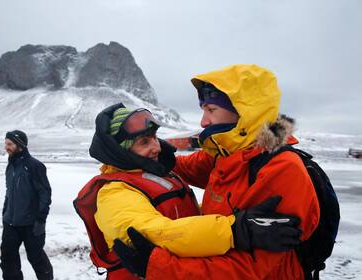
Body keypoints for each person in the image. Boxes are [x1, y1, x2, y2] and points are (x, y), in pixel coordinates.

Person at [113, 64, 321, 279]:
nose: (203, 121)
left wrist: (160, 268)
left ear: (245, 113)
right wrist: (158, 155)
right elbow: (191, 167)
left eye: (211, 110)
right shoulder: (229, 153)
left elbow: (250, 269)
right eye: (203, 110)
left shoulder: (282, 171)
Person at [74, 103, 302, 279]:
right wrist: (234, 230)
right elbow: (160, 232)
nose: (156, 147)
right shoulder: (115, 194)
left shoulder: (156, 173)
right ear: (119, 152)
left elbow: (183, 213)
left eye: (154, 138)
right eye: (144, 142)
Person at [0, 130, 53, 280]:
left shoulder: (35, 166)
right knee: (8, 261)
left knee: (37, 259)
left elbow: (45, 194)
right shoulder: (10, 166)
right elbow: (9, 191)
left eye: (9, 144)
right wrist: (5, 212)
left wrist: (41, 219)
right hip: (10, 222)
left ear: (20, 145)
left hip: (31, 224)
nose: (6, 147)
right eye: (6, 144)